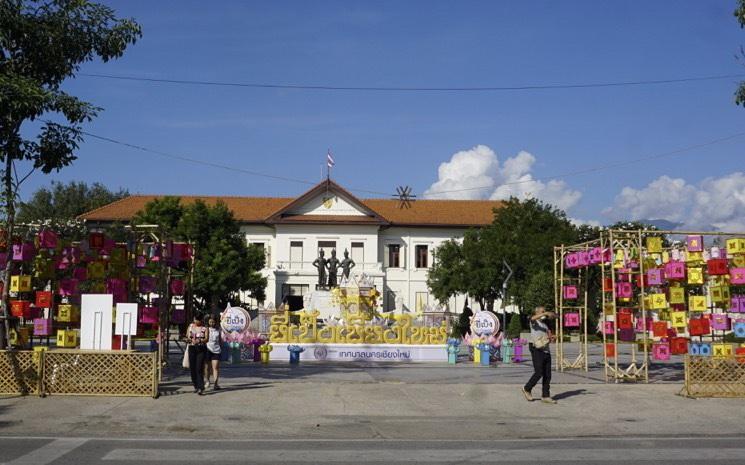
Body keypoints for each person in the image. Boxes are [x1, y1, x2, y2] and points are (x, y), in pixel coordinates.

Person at [522, 306, 557, 404]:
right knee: (539, 372)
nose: (544, 313)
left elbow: (548, 338)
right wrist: (545, 314)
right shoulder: (534, 322)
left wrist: (552, 338)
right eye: (542, 312)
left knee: (547, 374)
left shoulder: (545, 325)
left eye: (544, 311)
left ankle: (545, 395)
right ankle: (527, 388)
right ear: (537, 312)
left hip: (546, 350)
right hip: (536, 349)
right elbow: (532, 318)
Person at [186, 313, 208, 395]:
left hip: (201, 349)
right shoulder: (191, 326)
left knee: (199, 368)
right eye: (195, 319)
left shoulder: (205, 328)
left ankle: (201, 387)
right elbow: (187, 336)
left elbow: (206, 339)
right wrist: (189, 340)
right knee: (192, 368)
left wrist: (200, 341)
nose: (196, 321)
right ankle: (195, 385)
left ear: (201, 320)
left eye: (198, 320)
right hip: (192, 348)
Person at [204, 315, 222, 391]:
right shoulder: (206, 329)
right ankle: (207, 381)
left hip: (216, 350)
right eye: (210, 321)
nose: (212, 323)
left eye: (213, 321)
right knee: (207, 367)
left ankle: (216, 383)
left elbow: (220, 340)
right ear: (208, 322)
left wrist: (220, 347)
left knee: (216, 367)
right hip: (208, 349)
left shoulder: (218, 330)